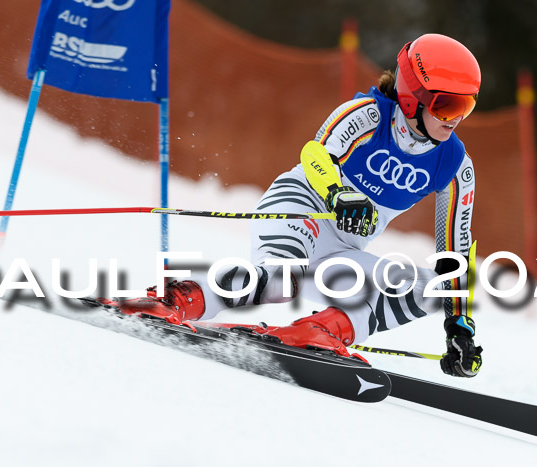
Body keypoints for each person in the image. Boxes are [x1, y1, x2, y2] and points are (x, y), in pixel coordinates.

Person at [125, 33, 483, 378]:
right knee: (281, 279)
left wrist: (459, 325)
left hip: (343, 250)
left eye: (466, 106)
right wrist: (338, 193)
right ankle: (177, 300)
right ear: (411, 97)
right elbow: (316, 153)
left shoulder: (455, 165)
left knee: (436, 287)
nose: (455, 119)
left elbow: (456, 250)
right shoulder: (369, 116)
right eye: (446, 106)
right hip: (301, 207)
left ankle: (321, 331)